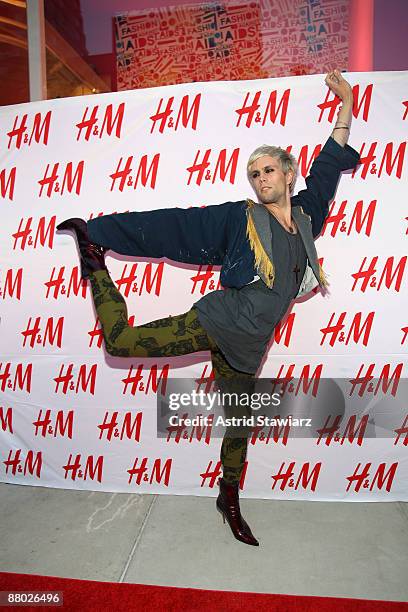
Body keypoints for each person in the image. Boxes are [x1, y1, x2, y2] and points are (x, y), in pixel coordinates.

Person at [57, 70, 360, 547]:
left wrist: (345, 104)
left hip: (248, 345)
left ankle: (229, 497)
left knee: (240, 421)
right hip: (215, 322)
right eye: (254, 173)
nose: (261, 179)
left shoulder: (306, 216)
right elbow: (176, 226)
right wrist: (103, 231)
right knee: (120, 342)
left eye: (269, 170)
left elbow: (327, 167)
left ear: (288, 172)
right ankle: (92, 259)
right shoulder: (239, 218)